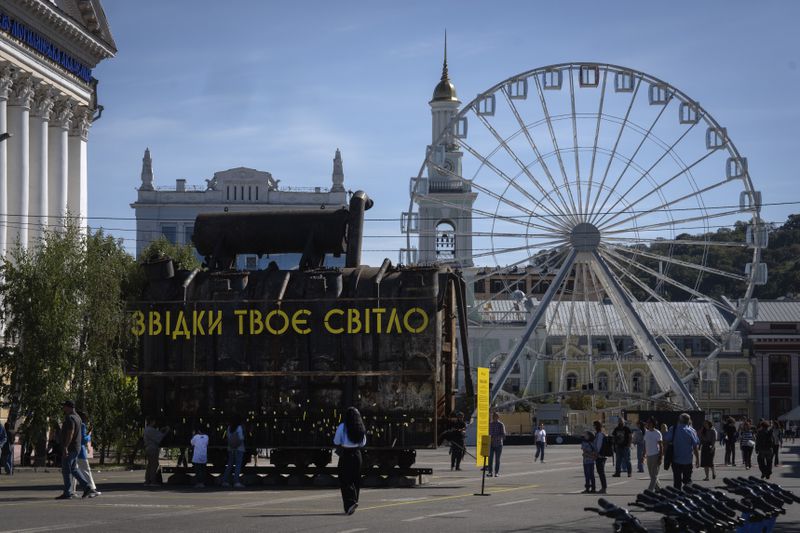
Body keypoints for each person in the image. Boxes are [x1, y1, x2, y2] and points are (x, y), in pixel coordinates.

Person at [56, 400, 98, 499]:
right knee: (74, 469)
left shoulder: (70, 418)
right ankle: (87, 487)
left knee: (66, 470)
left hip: (70, 448)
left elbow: (71, 432)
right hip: (76, 447)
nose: (63, 408)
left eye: (64, 407)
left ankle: (68, 492)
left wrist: (65, 446)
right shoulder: (78, 418)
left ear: (69, 407)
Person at [333, 407, 367, 515]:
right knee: (356, 479)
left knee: (345, 479)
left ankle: (349, 503)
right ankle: (355, 500)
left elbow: (336, 440)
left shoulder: (342, 426)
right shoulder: (360, 427)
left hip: (346, 454)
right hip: (357, 454)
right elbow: (363, 443)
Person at [664, 413, 699, 490]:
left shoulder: (673, 429)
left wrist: (665, 453)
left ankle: (677, 497)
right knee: (688, 481)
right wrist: (697, 459)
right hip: (688, 460)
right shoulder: (692, 431)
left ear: (679, 420)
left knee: (677, 481)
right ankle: (688, 495)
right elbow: (695, 447)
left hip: (676, 459)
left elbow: (666, 441)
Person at [71, 411, 100, 495]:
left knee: (74, 472)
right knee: (86, 471)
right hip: (81, 452)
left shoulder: (74, 424)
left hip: (74, 451)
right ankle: (92, 489)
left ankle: (72, 490)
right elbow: (83, 440)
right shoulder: (82, 425)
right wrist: (89, 435)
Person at [143, 418, 170, 486]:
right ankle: (153, 481)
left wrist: (160, 430)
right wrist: (166, 431)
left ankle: (147, 480)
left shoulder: (147, 429)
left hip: (148, 448)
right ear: (151, 422)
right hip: (152, 448)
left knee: (150, 464)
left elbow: (157, 433)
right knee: (154, 464)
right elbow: (159, 437)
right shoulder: (151, 429)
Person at [222, 415, 245, 488]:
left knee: (230, 464)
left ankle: (225, 481)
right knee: (238, 465)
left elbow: (228, 437)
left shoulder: (229, 428)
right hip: (239, 448)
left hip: (231, 448)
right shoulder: (239, 428)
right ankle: (236, 481)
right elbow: (241, 438)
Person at [644, 418, 663, 491]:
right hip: (648, 455)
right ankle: (659, 489)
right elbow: (646, 444)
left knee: (654, 475)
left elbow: (661, 446)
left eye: (649, 422)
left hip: (655, 455)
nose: (648, 424)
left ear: (653, 424)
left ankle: (649, 491)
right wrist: (644, 455)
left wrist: (660, 457)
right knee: (651, 475)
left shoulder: (657, 433)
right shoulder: (647, 432)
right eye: (647, 422)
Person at [487, 412, 506, 477]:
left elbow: (503, 435)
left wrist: (495, 438)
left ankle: (496, 473)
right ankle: (490, 472)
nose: (494, 417)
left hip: (498, 444)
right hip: (491, 444)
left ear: (498, 417)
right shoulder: (490, 424)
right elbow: (487, 433)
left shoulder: (501, 424)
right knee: (490, 459)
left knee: (497, 459)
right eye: (493, 416)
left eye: (495, 416)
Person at [592, 420, 608, 494]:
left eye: (594, 425)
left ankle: (604, 488)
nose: (593, 427)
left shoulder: (600, 434)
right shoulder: (599, 434)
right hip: (600, 455)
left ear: (596, 426)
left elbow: (598, 445)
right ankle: (603, 487)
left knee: (601, 472)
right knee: (600, 472)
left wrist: (596, 454)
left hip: (600, 456)